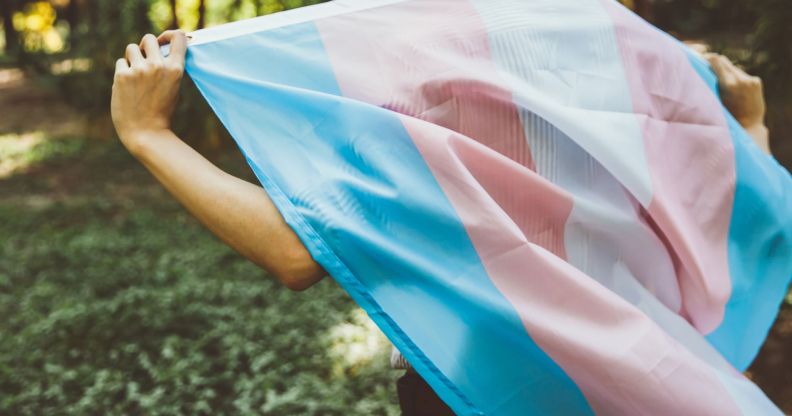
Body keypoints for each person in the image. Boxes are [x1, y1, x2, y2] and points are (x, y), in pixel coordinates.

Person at [110, 31, 773, 416]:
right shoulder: (618, 55)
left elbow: (295, 252)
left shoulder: (413, 67)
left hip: (492, 377)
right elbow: (729, 220)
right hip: (641, 367)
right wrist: (750, 128)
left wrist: (147, 135)